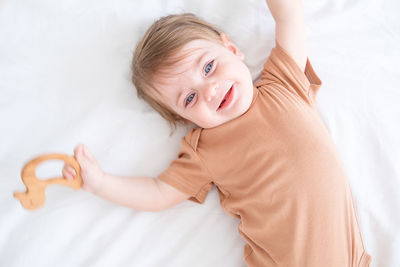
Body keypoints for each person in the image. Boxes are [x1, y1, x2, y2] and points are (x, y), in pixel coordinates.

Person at [63, 0, 372, 266]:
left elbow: (289, 18)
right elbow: (159, 193)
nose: (209, 91)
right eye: (189, 98)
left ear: (232, 49)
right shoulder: (206, 149)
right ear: (183, 118)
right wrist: (101, 183)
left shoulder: (282, 81)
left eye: (208, 67)